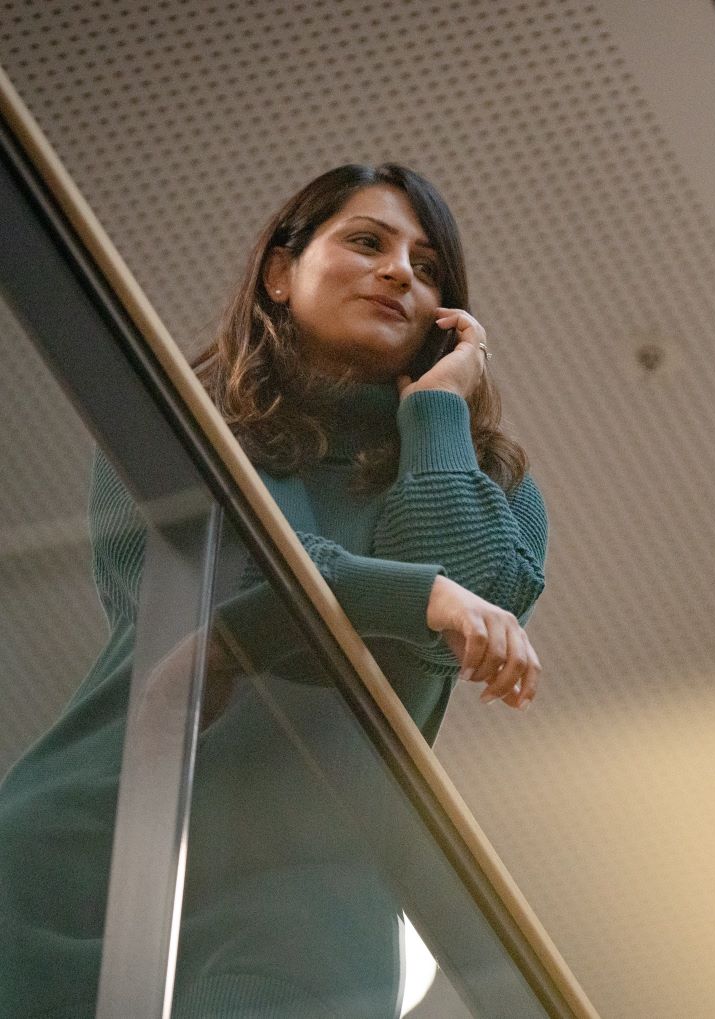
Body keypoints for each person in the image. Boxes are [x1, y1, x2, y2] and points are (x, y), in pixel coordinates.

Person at [0, 164, 549, 1017]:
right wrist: (419, 597)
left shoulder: (493, 483)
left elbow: (460, 611)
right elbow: (233, 579)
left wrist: (438, 416)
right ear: (280, 274)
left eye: (429, 266)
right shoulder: (182, 416)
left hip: (311, 903)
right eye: (366, 241)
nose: (401, 269)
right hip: (87, 848)